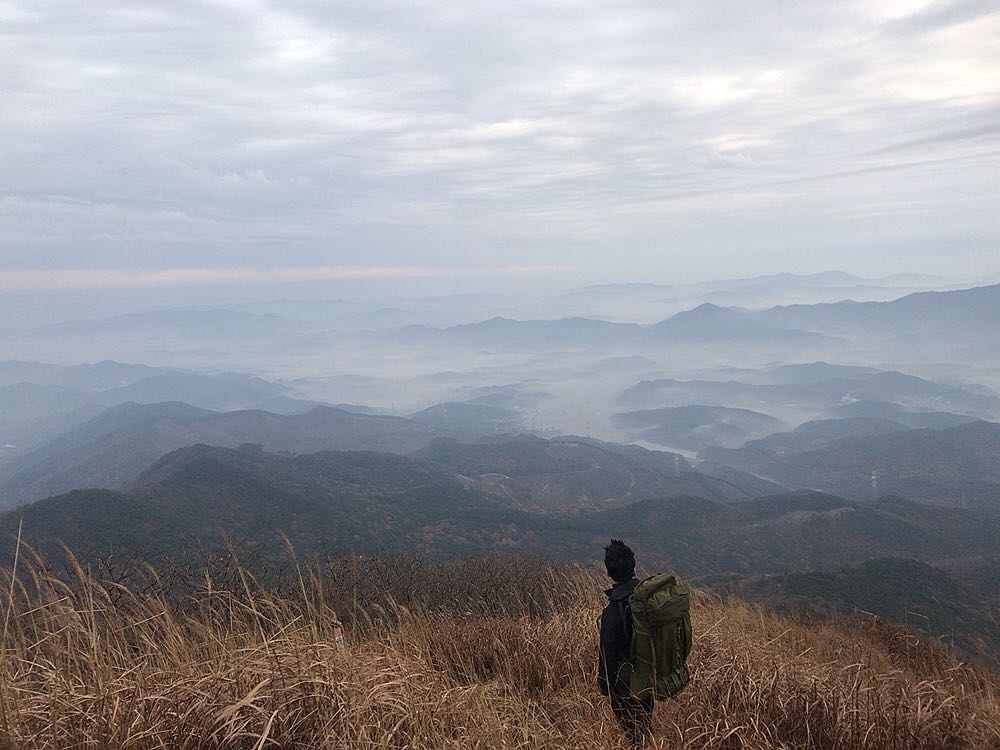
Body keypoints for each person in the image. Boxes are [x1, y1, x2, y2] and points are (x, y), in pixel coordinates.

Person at [598, 539, 654, 748]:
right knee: (644, 727)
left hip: (625, 684)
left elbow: (607, 652)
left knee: (633, 734)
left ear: (608, 571)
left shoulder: (612, 611)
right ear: (634, 568)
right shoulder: (648, 599)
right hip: (648, 675)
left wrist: (604, 686)